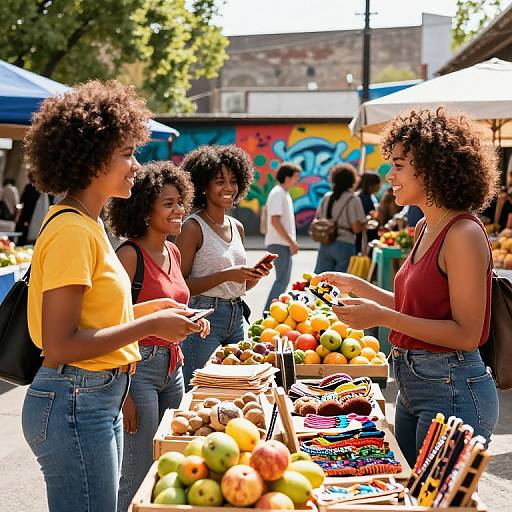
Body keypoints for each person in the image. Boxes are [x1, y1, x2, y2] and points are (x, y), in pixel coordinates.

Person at [21, 81, 202, 512]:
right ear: (91, 158)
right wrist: (150, 325)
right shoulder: (71, 230)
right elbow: (60, 343)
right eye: (126, 154)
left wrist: (148, 309)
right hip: (74, 401)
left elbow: (89, 322)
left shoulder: (89, 225)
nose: (136, 166)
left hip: (92, 398)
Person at [319, 108, 500, 467]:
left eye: (399, 166)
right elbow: (415, 311)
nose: (389, 176)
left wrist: (382, 316)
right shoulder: (424, 229)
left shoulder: (463, 234)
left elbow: (466, 334)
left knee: (436, 502)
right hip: (413, 383)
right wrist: (361, 288)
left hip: (453, 386)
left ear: (433, 169)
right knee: (409, 493)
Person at [105, 161, 210, 511]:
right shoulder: (129, 255)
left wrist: (194, 320)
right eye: (168, 203)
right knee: (137, 472)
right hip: (137, 372)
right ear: (143, 209)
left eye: (181, 201)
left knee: (171, 462)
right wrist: (126, 396)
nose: (179, 210)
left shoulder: (174, 250)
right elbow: (114, 322)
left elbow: (171, 306)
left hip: (173, 367)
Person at [176, 145, 271, 389]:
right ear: (203, 187)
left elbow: (240, 285)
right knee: (200, 390)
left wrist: (255, 276)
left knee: (240, 386)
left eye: (233, 180)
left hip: (237, 316)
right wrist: (228, 275)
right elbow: (181, 288)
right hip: (204, 319)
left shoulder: (237, 226)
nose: (228, 187)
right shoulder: (192, 228)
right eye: (219, 181)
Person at [313, 163, 366, 274]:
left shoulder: (327, 197)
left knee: (320, 280)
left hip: (326, 242)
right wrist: (366, 222)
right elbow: (356, 228)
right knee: (340, 283)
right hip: (345, 243)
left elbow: (318, 218)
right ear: (351, 180)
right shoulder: (353, 199)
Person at [263, 162, 301, 311]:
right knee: (282, 281)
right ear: (287, 177)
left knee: (283, 280)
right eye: (296, 177)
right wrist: (291, 242)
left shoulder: (283, 193)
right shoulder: (278, 193)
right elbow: (275, 220)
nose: (298, 180)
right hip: (279, 243)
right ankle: (269, 312)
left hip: (281, 243)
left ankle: (271, 311)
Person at [355, 171, 381, 253]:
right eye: (378, 184)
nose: (379, 186)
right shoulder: (364, 198)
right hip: (364, 238)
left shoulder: (368, 197)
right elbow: (365, 218)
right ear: (371, 185)